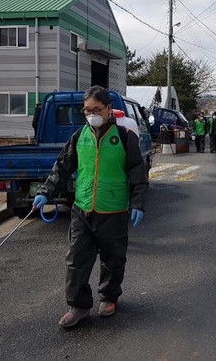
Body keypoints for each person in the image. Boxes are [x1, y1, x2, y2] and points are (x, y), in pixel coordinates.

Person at [32, 86, 148, 329]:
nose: (91, 114)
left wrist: (137, 203)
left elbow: (138, 171)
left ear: (108, 109)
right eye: (87, 110)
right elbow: (62, 167)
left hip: (113, 210)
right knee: (76, 259)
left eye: (96, 109)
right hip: (82, 209)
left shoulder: (125, 137)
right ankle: (79, 305)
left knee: (113, 259)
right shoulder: (79, 136)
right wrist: (46, 192)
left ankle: (108, 297)